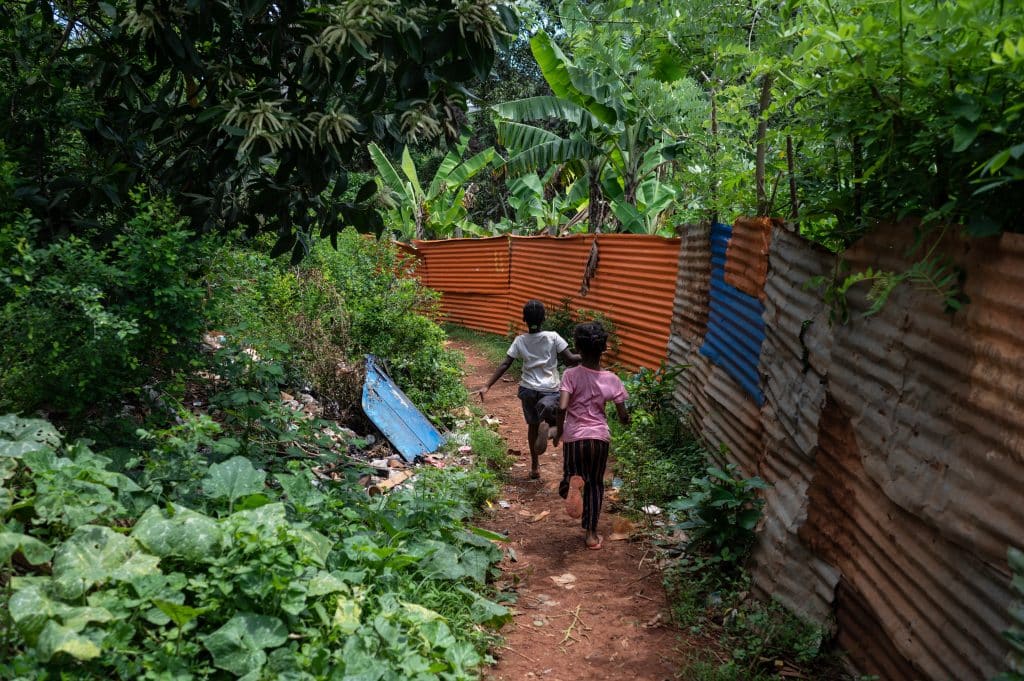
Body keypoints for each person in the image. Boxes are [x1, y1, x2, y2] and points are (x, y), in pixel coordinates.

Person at [476, 300, 579, 479]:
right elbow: (570, 359)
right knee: (554, 419)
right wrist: (590, 354)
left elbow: (506, 363)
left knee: (532, 426)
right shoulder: (553, 337)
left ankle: (534, 466)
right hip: (550, 390)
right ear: (544, 318)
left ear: (524, 319)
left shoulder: (520, 340)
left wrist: (487, 385)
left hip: (528, 390)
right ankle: (549, 429)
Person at [553, 321, 629, 550]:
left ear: (577, 347)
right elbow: (623, 414)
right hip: (599, 438)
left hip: (575, 438)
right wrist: (626, 421)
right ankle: (591, 535)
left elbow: (562, 406)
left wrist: (558, 432)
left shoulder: (570, 374)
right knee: (595, 484)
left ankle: (570, 483)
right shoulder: (612, 379)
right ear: (604, 347)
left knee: (572, 472)